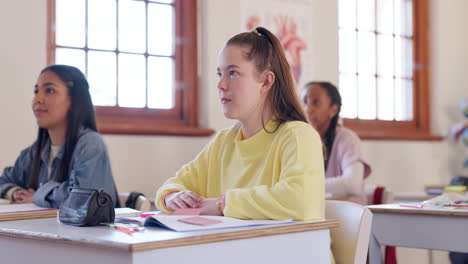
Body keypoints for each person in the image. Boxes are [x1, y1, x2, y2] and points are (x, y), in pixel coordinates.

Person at [155, 27, 325, 222]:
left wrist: (222, 205)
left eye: (233, 73)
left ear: (266, 82)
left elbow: (299, 202)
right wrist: (173, 197)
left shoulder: (298, 135)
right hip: (237, 251)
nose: (221, 84)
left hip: (291, 252)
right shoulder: (223, 141)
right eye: (220, 74)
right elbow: (175, 184)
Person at [0, 65, 119, 208]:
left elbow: (83, 199)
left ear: (74, 100)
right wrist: (15, 192)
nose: (38, 98)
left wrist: (38, 195)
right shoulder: (35, 151)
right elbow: (3, 181)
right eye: (36, 91)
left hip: (85, 231)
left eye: (49, 90)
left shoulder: (90, 144)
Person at [301, 81, 371, 205]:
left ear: (333, 110)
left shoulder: (347, 138)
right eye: (304, 102)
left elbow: (353, 184)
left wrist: (304, 186)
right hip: (316, 213)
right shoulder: (301, 140)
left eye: (316, 102)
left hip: (348, 216)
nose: (308, 109)